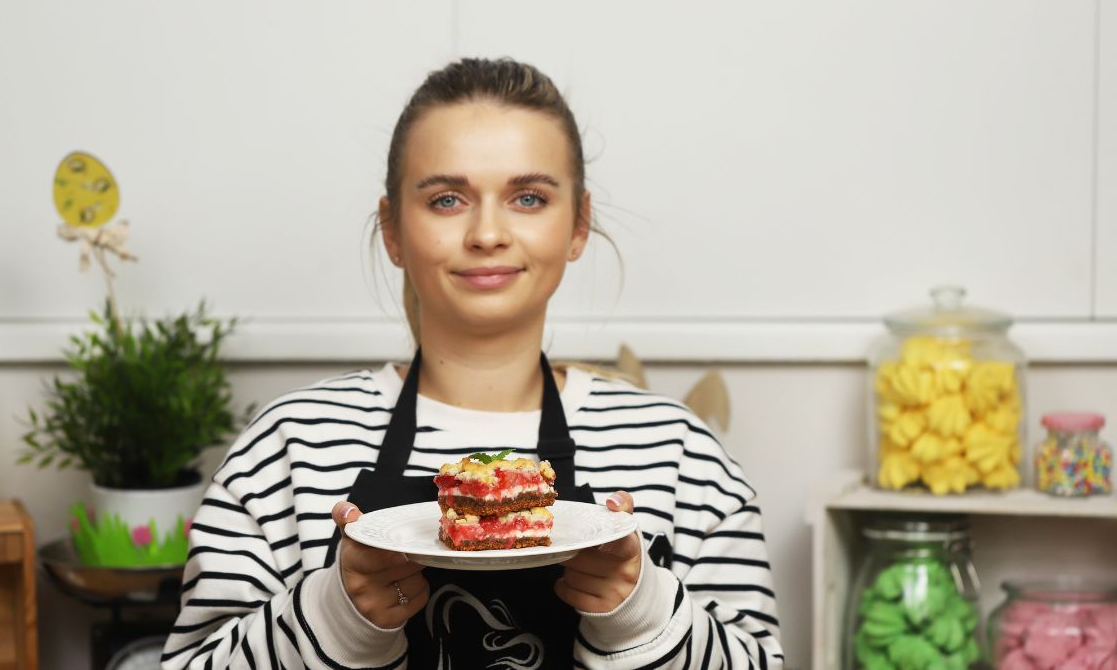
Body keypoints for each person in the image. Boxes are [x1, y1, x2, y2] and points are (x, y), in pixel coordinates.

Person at [161, 57, 784, 669]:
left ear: (578, 225)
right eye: (447, 199)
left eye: (529, 198)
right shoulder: (287, 445)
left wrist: (643, 616)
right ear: (393, 230)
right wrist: (334, 617)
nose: (487, 233)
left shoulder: (681, 455)